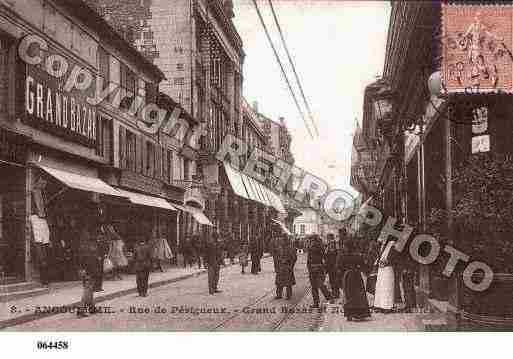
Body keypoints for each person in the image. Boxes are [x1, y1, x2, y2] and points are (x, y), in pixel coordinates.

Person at [339, 239, 371, 321]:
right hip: (357, 276)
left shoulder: (343, 256)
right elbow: (364, 266)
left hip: (348, 276)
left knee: (349, 294)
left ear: (346, 247)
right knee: (358, 295)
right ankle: (360, 313)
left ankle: (349, 314)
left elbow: (339, 267)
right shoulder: (358, 255)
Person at [76, 225, 99, 318]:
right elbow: (93, 260)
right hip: (90, 271)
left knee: (89, 289)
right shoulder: (92, 247)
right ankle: (81, 309)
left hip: (84, 271)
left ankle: (92, 308)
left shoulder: (81, 247)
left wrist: (81, 269)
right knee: (88, 290)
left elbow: (79, 260)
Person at [307, 235, 333, 308]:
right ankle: (317, 302)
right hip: (315, 268)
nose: (313, 242)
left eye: (313, 240)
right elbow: (309, 260)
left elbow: (325, 258)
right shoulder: (315, 248)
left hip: (318, 268)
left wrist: (323, 267)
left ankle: (328, 297)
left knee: (319, 285)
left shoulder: (319, 248)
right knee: (316, 286)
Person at [373, 239, 397, 313]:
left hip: (388, 269)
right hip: (381, 269)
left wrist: (387, 262)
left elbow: (394, 257)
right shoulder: (383, 245)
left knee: (387, 287)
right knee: (380, 287)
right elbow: (380, 255)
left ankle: (387, 306)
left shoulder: (393, 244)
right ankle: (379, 305)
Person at [274, 235, 297, 300]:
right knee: (279, 282)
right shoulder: (279, 248)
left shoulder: (290, 248)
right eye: (282, 240)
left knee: (288, 282)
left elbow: (294, 258)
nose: (282, 241)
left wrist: (291, 266)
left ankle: (288, 295)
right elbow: (276, 257)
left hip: (287, 267)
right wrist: (277, 265)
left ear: (286, 240)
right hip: (280, 266)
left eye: (284, 240)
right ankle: (279, 294)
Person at [325, 234, 339, 299]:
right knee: (332, 280)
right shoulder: (329, 246)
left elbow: (328, 256)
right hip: (331, 266)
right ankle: (335, 292)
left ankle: (335, 293)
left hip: (333, 266)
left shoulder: (332, 245)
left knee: (334, 280)